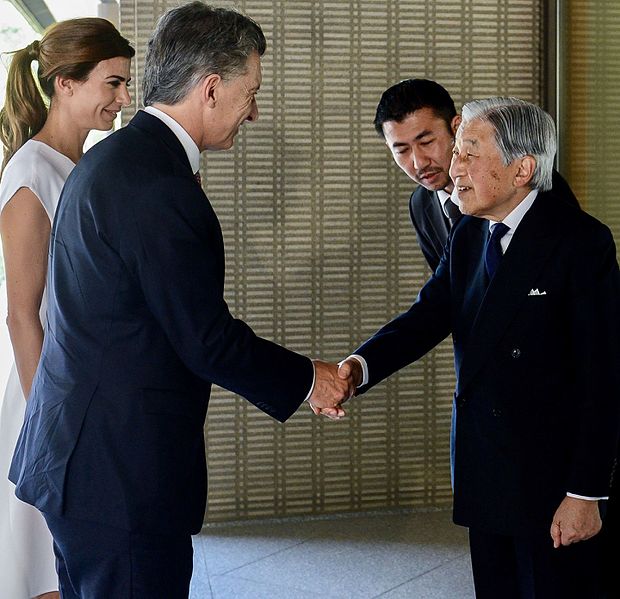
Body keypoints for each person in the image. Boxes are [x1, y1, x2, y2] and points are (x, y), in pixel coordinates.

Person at [8, 4, 352, 598]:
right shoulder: (157, 183)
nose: (256, 109)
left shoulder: (113, 160)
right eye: (252, 92)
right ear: (212, 89)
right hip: (120, 480)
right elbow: (203, 337)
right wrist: (308, 379)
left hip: (81, 465)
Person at [339, 98, 620, 597]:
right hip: (485, 465)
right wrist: (358, 369)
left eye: (468, 152)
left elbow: (605, 378)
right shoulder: (469, 232)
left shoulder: (580, 243)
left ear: (522, 169)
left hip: (550, 476)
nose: (453, 168)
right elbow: (427, 317)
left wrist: (585, 493)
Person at [0, 18, 134, 599]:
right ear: (65, 84)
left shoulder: (85, 170)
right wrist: (49, 423)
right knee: (47, 578)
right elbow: (21, 314)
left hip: (81, 396)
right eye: (113, 83)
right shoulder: (31, 171)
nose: (124, 99)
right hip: (47, 402)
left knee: (78, 572)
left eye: (125, 84)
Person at [373, 78, 578, 272]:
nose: (419, 163)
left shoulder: (525, 180)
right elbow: (447, 293)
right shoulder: (420, 204)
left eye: (426, 142)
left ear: (457, 127)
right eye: (401, 150)